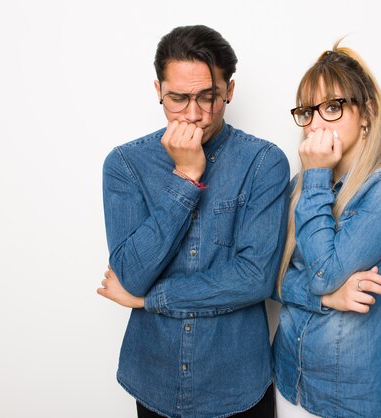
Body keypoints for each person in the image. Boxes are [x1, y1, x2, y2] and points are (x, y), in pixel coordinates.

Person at [97, 25, 289, 418]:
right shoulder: (125, 165)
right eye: (178, 99)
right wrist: (186, 179)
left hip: (239, 384)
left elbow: (254, 279)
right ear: (158, 91)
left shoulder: (264, 162)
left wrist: (152, 300)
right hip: (153, 380)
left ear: (229, 90)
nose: (194, 114)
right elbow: (130, 274)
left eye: (208, 97)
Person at [272, 44, 381, 418]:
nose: (316, 124)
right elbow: (269, 280)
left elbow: (323, 273)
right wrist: (325, 299)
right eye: (307, 112)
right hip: (290, 383)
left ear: (367, 112)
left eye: (333, 107)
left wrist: (316, 174)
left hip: (359, 398)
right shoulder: (299, 187)